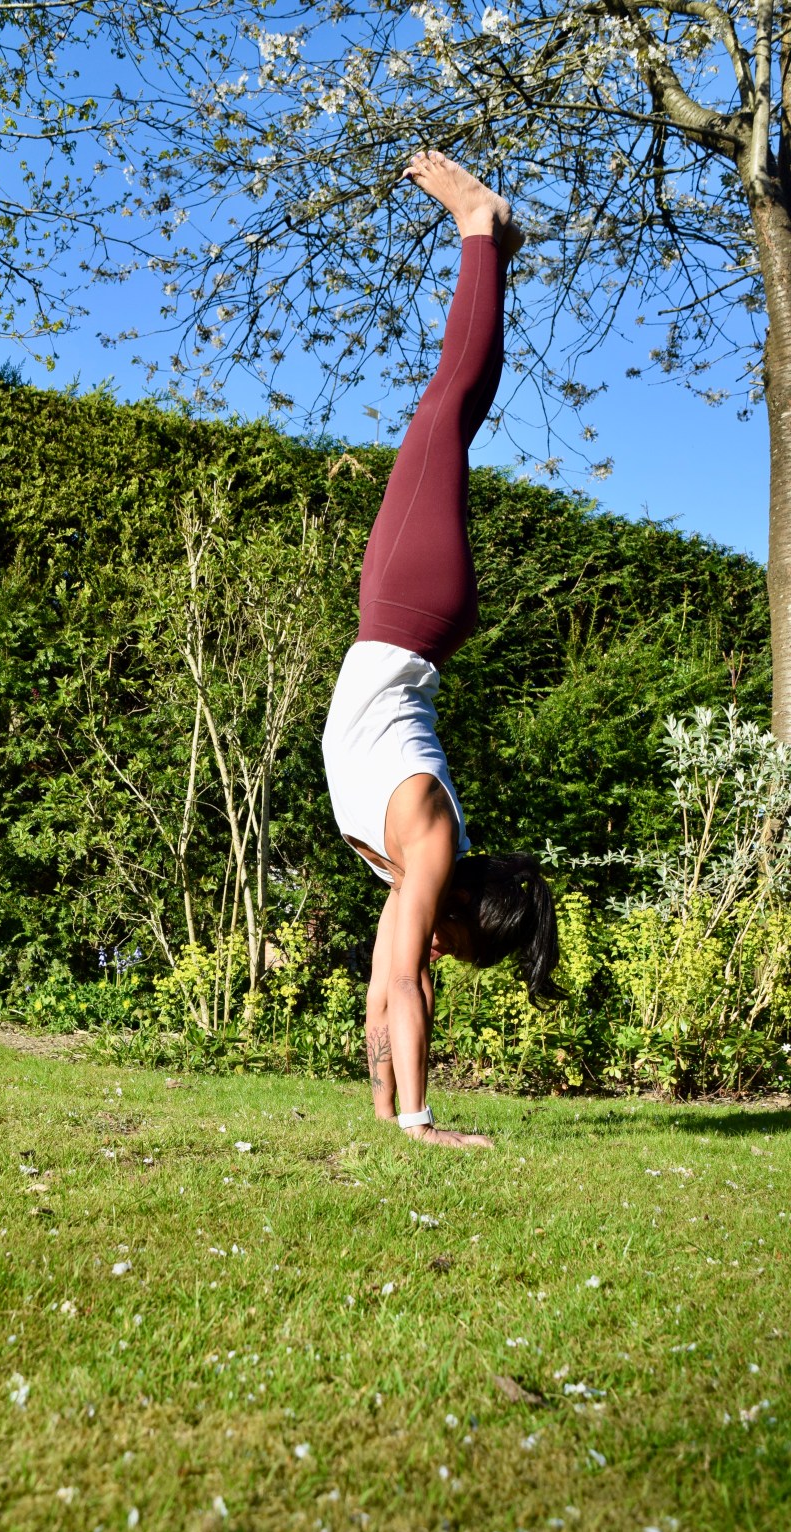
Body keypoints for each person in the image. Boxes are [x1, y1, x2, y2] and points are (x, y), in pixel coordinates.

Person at [322, 152, 562, 1149]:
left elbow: (392, 986)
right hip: (408, 613)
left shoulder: (417, 867)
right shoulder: (429, 845)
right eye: (460, 951)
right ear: (464, 915)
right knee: (438, 416)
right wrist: (423, 1122)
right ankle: (478, 226)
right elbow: (397, 978)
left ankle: (490, 247)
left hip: (415, 621)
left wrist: (389, 1115)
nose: (442, 959)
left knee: (448, 423)